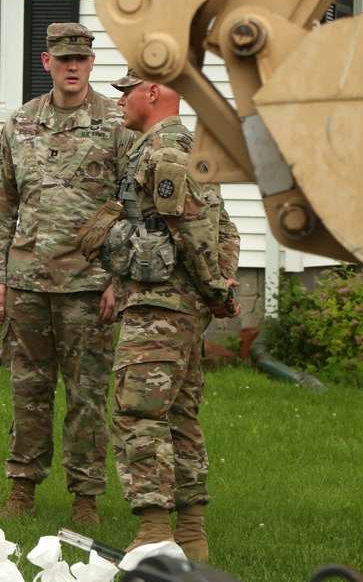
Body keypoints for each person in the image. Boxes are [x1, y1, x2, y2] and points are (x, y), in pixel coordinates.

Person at [0, 22, 137, 526]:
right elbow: (2, 207)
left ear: (92, 64)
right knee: (28, 391)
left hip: (89, 286)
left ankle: (86, 498)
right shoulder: (20, 125)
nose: (73, 67)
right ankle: (22, 490)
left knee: (88, 397)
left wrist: (119, 279)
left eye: (82, 59)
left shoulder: (118, 124)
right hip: (27, 281)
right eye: (63, 59)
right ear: (47, 63)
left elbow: (135, 210)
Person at [100, 67, 241, 557]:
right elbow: (227, 229)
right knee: (179, 413)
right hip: (178, 307)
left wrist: (215, 290)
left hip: (161, 308)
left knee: (139, 412)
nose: (119, 101)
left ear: (153, 93)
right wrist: (216, 290)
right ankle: (191, 536)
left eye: (127, 92)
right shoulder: (188, 147)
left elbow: (197, 232)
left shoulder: (166, 151)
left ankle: (156, 532)